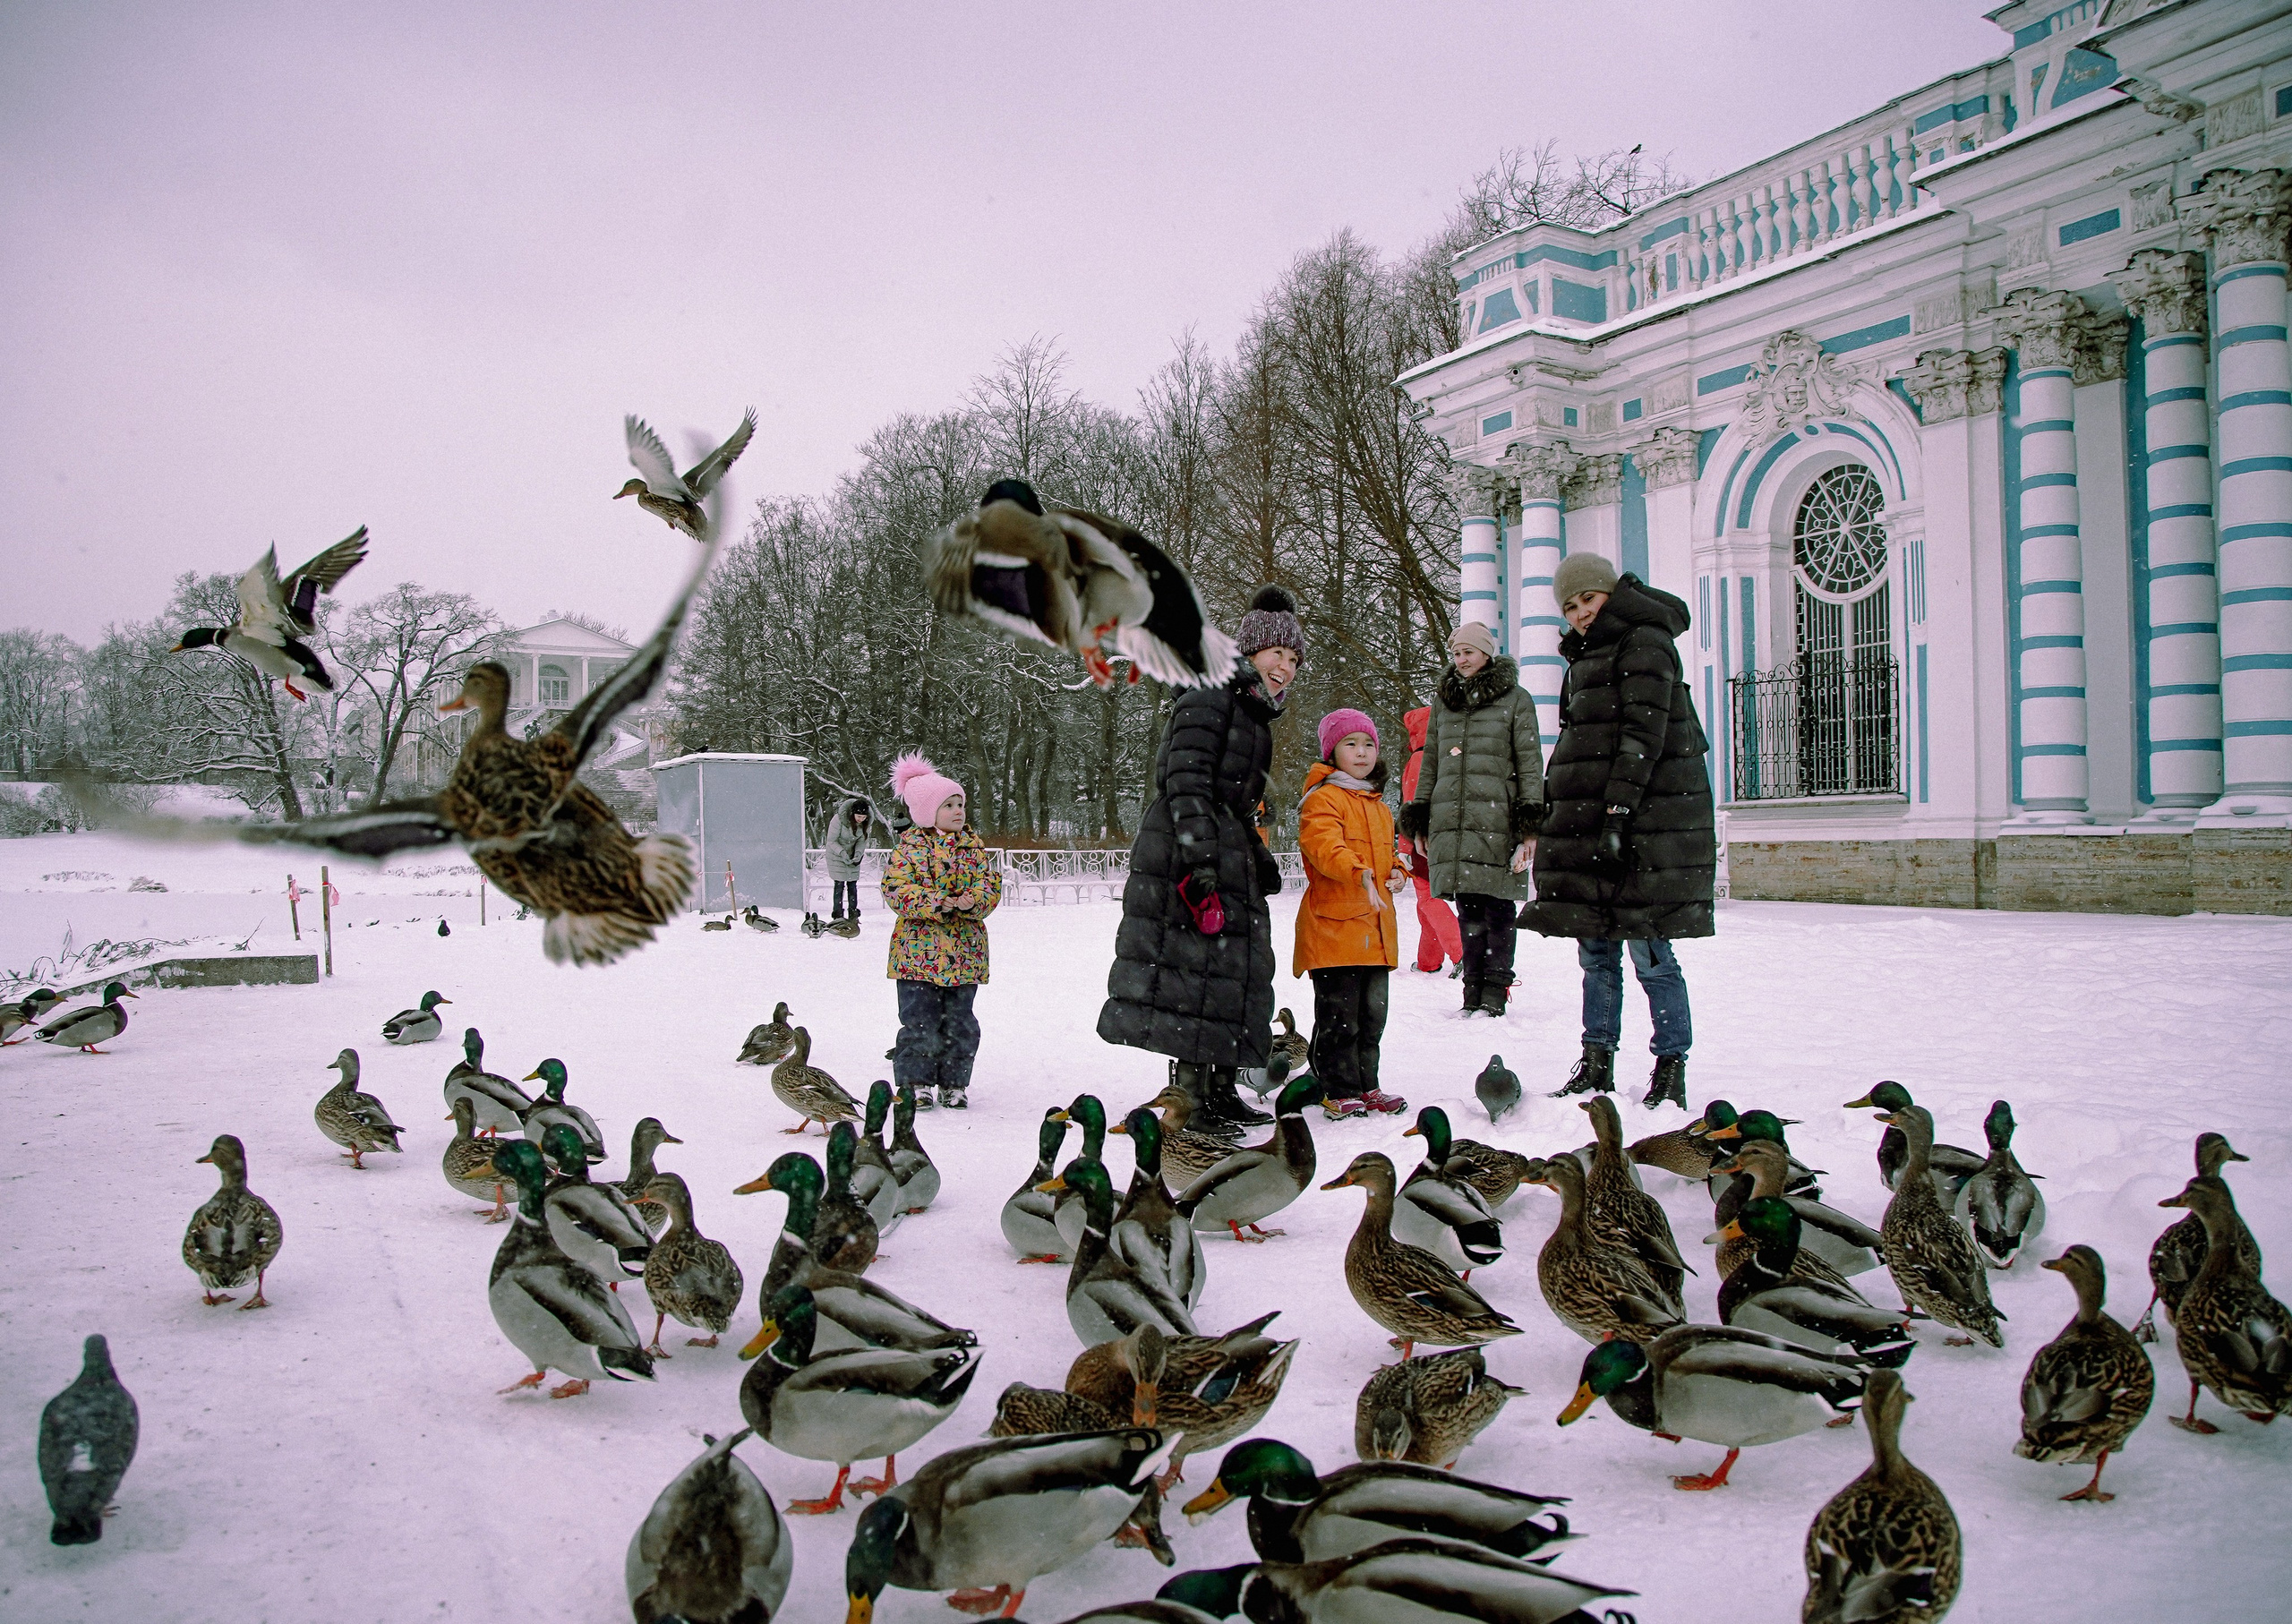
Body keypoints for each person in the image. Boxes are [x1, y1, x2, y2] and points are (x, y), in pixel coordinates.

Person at [1098, 585, 1302, 1134]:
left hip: (1223, 844)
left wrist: (1254, 852)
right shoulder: (1211, 694)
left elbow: (1237, 802)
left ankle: (1218, 1088)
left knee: (1230, 970)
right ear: (1250, 651)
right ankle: (1188, 1096)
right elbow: (1186, 782)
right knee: (1193, 974)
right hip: (1186, 847)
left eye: (1292, 659)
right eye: (1275, 655)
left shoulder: (1254, 714)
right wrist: (1202, 860)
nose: (1283, 668)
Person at [1524, 553, 1715, 1110]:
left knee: (1650, 949)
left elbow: (1642, 735)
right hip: (1591, 822)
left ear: (1610, 593)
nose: (1581, 612)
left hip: (1641, 825)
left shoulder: (1644, 641)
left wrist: (1618, 816)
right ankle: (1597, 1061)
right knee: (1595, 950)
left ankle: (1670, 1064)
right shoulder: (1587, 654)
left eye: (1588, 598)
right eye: (1570, 605)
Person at [1398, 622, 1544, 1017]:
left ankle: (1495, 989)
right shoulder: (1445, 702)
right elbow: (1430, 765)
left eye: (1468, 652)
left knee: (1498, 907)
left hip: (1497, 819)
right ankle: (1471, 991)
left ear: (1486, 653)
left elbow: (1530, 764)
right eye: (1456, 653)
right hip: (1452, 818)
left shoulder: (1516, 700)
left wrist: (1530, 827)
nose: (1461, 660)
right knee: (1467, 908)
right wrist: (1420, 821)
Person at [1295, 709, 1410, 1120]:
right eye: (1351, 744)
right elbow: (1325, 848)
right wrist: (1357, 872)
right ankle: (1337, 1087)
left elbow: (1388, 854)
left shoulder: (1378, 805)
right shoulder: (1322, 798)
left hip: (1375, 930)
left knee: (1371, 1016)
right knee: (1339, 1017)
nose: (1362, 753)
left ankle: (1367, 1084)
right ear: (1332, 751)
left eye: (1369, 744)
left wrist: (1396, 871)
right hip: (1335, 928)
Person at [881, 753, 1003, 1110]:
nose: (958, 811)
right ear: (925, 812)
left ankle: (954, 1082)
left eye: (960, 803)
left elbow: (990, 886)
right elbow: (896, 889)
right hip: (918, 954)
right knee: (919, 1021)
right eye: (948, 805)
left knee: (961, 1023)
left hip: (964, 954)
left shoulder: (974, 849)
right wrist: (934, 901)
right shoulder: (909, 850)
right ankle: (916, 1082)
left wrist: (972, 901)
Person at [1398, 705, 1463, 977]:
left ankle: (1461, 952)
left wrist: (1404, 846)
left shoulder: (1418, 760)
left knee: (1427, 898)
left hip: (1423, 841)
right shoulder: (1448, 757)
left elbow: (1410, 807)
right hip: (1449, 836)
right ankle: (1428, 961)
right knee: (1426, 900)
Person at [827, 796, 875, 924]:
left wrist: (858, 853)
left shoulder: (866, 823)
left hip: (853, 856)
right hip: (836, 855)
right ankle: (837, 916)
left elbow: (861, 840)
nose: (860, 820)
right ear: (852, 813)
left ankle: (853, 914)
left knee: (852, 885)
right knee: (839, 885)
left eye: (863, 817)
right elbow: (832, 841)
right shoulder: (838, 820)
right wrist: (842, 853)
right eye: (858, 816)